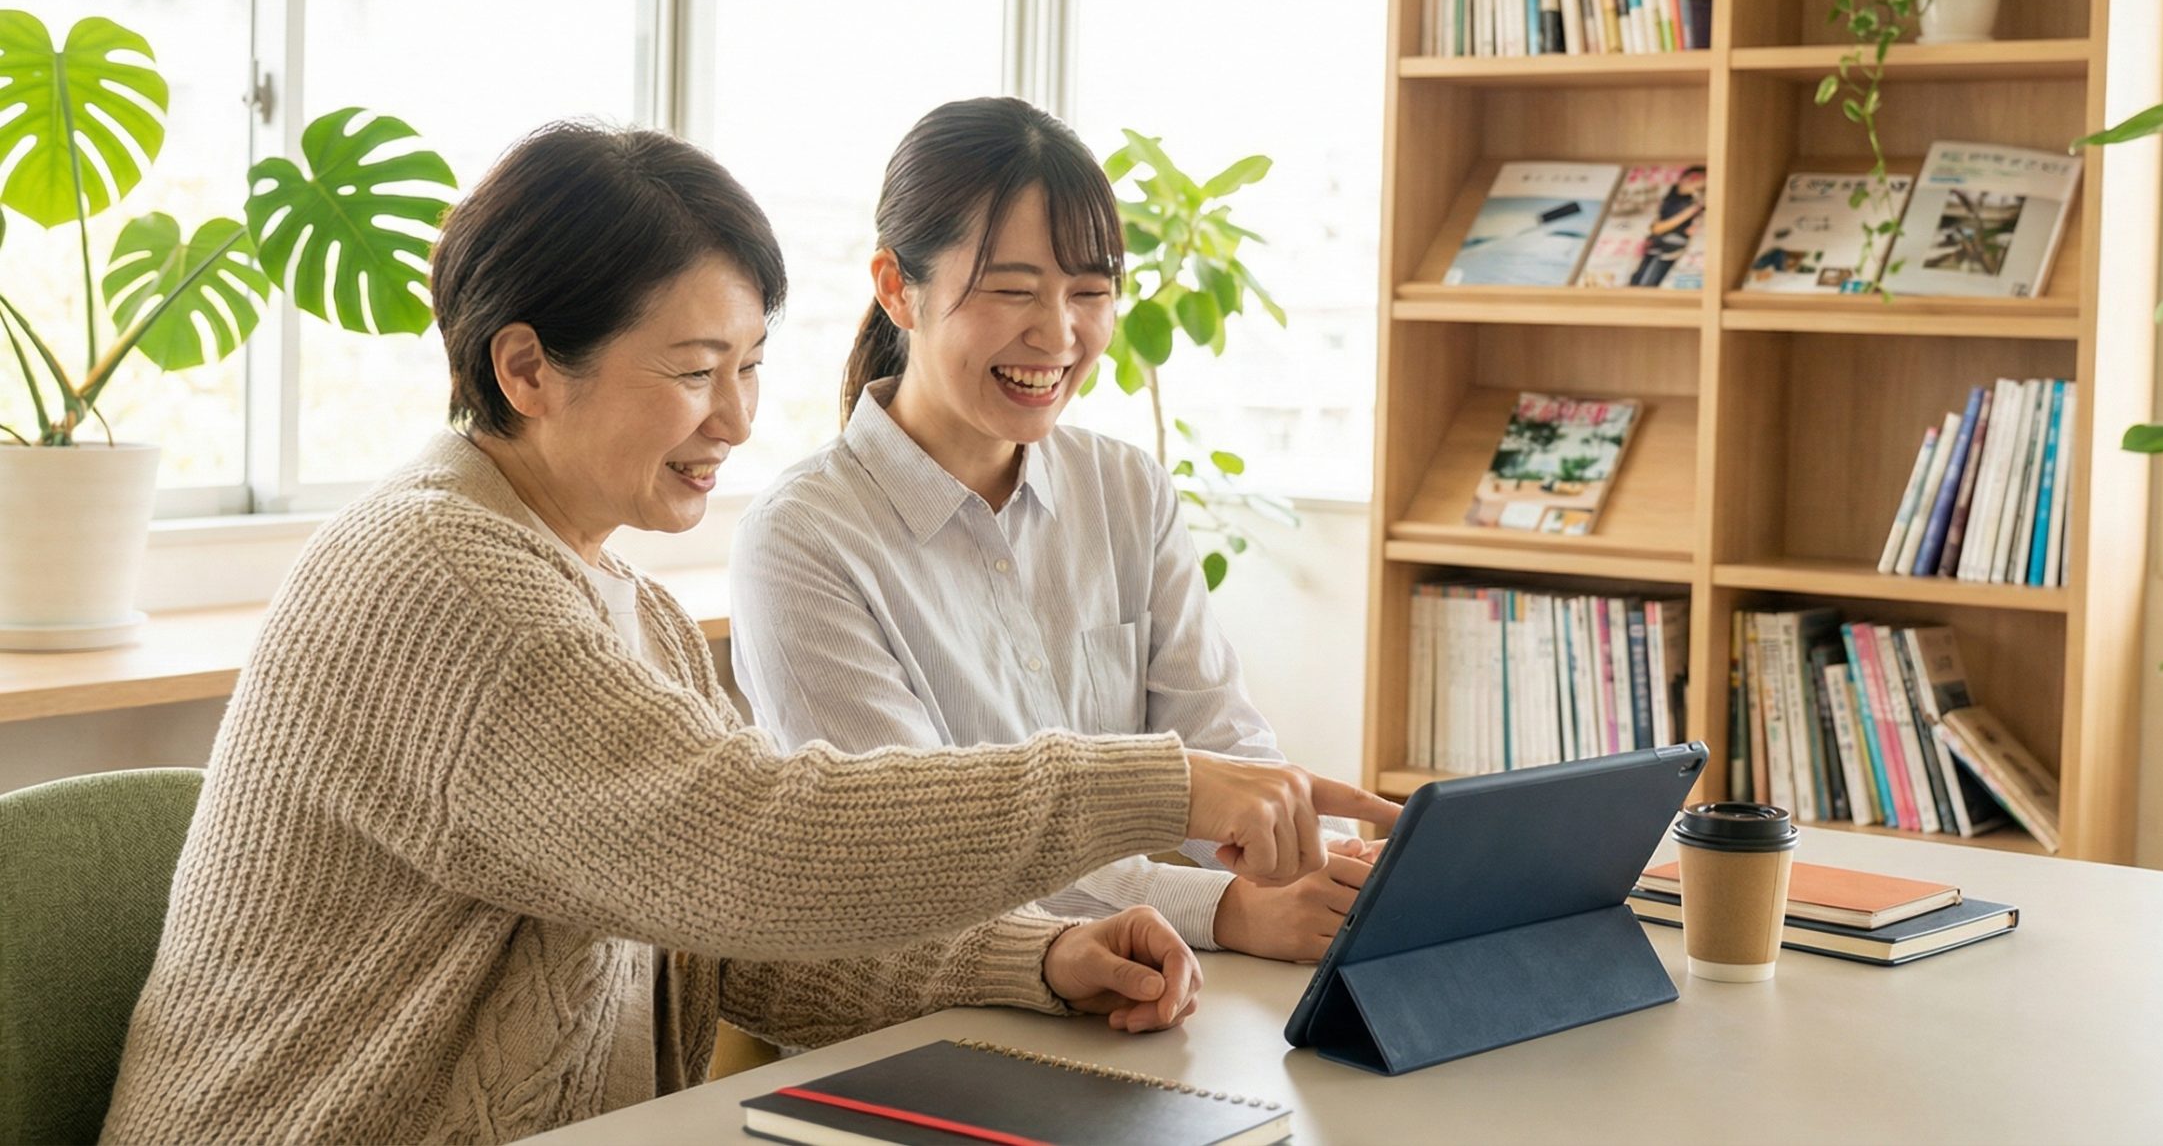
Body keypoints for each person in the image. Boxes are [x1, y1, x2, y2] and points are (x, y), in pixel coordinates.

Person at [101, 123, 1393, 1146]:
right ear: (526, 368)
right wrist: (1157, 784)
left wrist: (1041, 956)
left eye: (751, 364)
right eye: (691, 371)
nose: (735, 418)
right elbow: (760, 845)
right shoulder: (436, 578)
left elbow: (731, 942)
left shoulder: (630, 609)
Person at [729, 98, 1374, 968]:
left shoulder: (1126, 489)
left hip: (1151, 988)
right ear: (896, 287)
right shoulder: (802, 540)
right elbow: (923, 851)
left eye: (1091, 292)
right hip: (935, 1014)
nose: (1059, 333)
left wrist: (1319, 864)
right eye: (1012, 289)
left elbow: (1222, 743)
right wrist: (1225, 907)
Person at [1633, 164, 1708, 286]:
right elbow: (1657, 228)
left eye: (1702, 180)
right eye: (1693, 178)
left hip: (1674, 248)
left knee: (1652, 281)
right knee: (1640, 280)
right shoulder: (1667, 198)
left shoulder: (1697, 202)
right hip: (1655, 244)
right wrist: (1692, 210)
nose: (1696, 182)